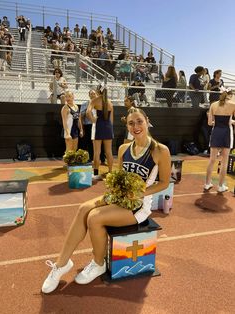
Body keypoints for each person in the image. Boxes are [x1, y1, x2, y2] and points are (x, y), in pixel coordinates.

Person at [41, 107, 171, 294]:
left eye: (139, 121)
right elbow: (119, 177)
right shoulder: (124, 148)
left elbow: (165, 183)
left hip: (139, 205)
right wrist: (115, 188)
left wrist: (139, 194)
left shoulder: (159, 150)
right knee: (83, 208)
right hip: (119, 198)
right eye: (131, 123)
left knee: (94, 218)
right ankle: (62, 264)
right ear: (127, 125)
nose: (136, 126)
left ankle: (99, 263)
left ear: (147, 121)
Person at [204, 89, 235, 193]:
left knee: (212, 160)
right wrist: (231, 121)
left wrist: (218, 123)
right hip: (227, 133)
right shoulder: (233, 105)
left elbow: (209, 123)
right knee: (224, 161)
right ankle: (221, 186)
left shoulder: (213, 104)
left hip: (216, 132)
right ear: (230, 95)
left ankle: (207, 184)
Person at [87, 83, 114, 176]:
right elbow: (111, 120)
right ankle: (110, 172)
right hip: (108, 127)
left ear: (98, 91)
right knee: (109, 151)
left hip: (98, 126)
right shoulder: (110, 102)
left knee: (97, 152)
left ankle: (95, 173)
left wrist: (92, 119)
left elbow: (88, 112)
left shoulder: (94, 100)